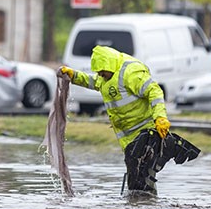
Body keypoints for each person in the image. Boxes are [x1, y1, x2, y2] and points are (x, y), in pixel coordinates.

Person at [58, 45, 199, 195]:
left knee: (140, 176)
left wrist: (161, 117)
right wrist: (73, 75)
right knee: (139, 177)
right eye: (98, 72)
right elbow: (92, 82)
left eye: (102, 71)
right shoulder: (106, 77)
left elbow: (154, 90)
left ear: (108, 65)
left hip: (146, 133)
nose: (100, 74)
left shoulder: (130, 73)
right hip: (128, 139)